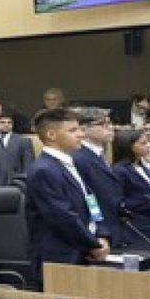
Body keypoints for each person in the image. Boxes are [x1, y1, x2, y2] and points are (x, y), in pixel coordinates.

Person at [24, 108, 109, 275]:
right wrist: (93, 244)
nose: (81, 135)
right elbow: (63, 217)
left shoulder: (70, 163)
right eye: (73, 130)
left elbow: (90, 201)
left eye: (80, 129)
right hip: (60, 258)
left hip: (82, 251)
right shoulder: (44, 170)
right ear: (51, 135)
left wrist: (102, 234)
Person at [111, 128, 150, 241]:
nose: (148, 145)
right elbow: (120, 202)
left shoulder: (144, 168)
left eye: (148, 142)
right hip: (136, 226)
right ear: (128, 146)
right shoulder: (119, 171)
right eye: (143, 143)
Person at [73, 108, 122, 239]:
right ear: (83, 129)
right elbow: (89, 198)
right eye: (103, 124)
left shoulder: (99, 154)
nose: (110, 127)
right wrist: (99, 229)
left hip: (112, 223)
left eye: (110, 123)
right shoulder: (80, 158)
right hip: (97, 230)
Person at [0, 114, 36, 180]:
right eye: (2, 122)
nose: (6, 125)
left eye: (9, 122)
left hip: (16, 182)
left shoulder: (23, 141)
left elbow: (28, 164)